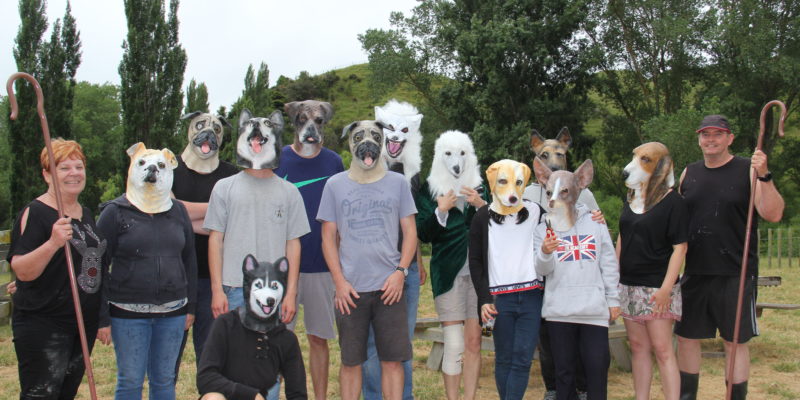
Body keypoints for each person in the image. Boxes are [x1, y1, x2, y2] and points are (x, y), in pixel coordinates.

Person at [675, 115, 784, 400]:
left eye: (718, 134)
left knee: (734, 342)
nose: (711, 139)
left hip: (736, 272)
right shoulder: (688, 173)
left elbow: (773, 214)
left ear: (730, 138)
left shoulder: (748, 169)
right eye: (705, 134)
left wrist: (765, 175)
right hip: (695, 271)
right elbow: (673, 218)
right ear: (699, 139)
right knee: (686, 338)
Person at [205, 109, 309, 399]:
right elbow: (215, 240)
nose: (257, 141)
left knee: (269, 368)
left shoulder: (289, 192)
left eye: (264, 136)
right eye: (251, 135)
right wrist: (217, 290)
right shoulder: (224, 188)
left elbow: (294, 244)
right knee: (233, 366)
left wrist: (291, 293)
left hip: (274, 294)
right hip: (234, 290)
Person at [318, 120, 417, 400]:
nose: (367, 142)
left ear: (383, 141)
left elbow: (410, 232)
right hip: (350, 290)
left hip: (390, 288)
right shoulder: (334, 185)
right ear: (350, 141)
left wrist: (400, 272)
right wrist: (339, 282)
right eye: (359, 137)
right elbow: (327, 238)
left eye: (375, 136)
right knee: (351, 362)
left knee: (392, 361)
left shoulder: (398, 183)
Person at [8, 139, 109, 399]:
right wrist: (53, 243)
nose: (74, 173)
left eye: (79, 166)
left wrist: (101, 318)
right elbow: (21, 269)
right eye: (64, 168)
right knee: (42, 395)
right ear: (47, 175)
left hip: (81, 323)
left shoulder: (85, 213)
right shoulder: (36, 212)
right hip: (45, 324)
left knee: (65, 394)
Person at [97, 142, 197, 400]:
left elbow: (189, 259)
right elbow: (97, 266)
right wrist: (102, 318)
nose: (152, 170)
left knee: (164, 380)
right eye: (143, 164)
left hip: (173, 312)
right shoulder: (114, 212)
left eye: (160, 166)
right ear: (133, 167)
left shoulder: (178, 211)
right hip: (127, 313)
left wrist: (191, 307)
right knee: (130, 381)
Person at [533, 158, 620, 400]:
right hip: (559, 312)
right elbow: (541, 270)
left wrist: (613, 299)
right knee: (564, 374)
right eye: (549, 193)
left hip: (594, 311)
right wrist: (545, 252)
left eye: (563, 192)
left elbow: (608, 262)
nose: (554, 199)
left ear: (581, 183)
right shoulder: (542, 230)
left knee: (597, 371)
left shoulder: (595, 223)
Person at [274, 100, 344, 400]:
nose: (310, 126)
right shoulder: (278, 159)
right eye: (303, 120)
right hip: (281, 268)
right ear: (294, 122)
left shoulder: (334, 162)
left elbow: (340, 216)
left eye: (317, 120)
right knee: (279, 339)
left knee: (318, 339)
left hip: (321, 266)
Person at [415, 130, 485, 400]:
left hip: (479, 276)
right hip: (448, 275)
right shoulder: (428, 190)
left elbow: (499, 227)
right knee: (454, 344)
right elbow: (423, 233)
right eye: (449, 154)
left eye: (462, 153)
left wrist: (482, 206)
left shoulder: (481, 187)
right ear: (439, 156)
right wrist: (440, 211)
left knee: (474, 342)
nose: (456, 160)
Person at [469, 160, 545, 400]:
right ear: (492, 183)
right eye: (503, 181)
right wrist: (484, 299)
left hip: (532, 296)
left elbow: (564, 220)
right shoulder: (482, 217)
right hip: (497, 300)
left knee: (523, 358)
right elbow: (475, 262)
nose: (511, 190)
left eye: (518, 182)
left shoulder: (537, 212)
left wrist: (591, 216)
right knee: (503, 358)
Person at [617, 142, 688, 400]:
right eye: (636, 157)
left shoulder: (674, 202)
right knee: (638, 347)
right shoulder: (631, 198)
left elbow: (680, 248)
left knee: (663, 350)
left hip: (658, 287)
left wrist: (666, 289)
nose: (634, 164)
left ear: (661, 166)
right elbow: (622, 238)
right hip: (628, 286)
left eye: (645, 159)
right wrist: (614, 278)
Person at [172, 111, 239, 373]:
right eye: (200, 126)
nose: (208, 133)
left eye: (216, 129)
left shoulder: (231, 175)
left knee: (212, 358)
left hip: (215, 280)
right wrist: (217, 214)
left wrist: (181, 215)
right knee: (169, 360)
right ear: (189, 127)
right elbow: (164, 211)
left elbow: (234, 222)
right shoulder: (169, 168)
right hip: (174, 278)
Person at [197, 255, 307, 400]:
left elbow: (297, 394)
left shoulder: (286, 339)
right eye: (259, 286)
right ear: (247, 287)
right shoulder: (226, 325)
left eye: (274, 287)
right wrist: (251, 395)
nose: (268, 295)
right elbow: (205, 378)